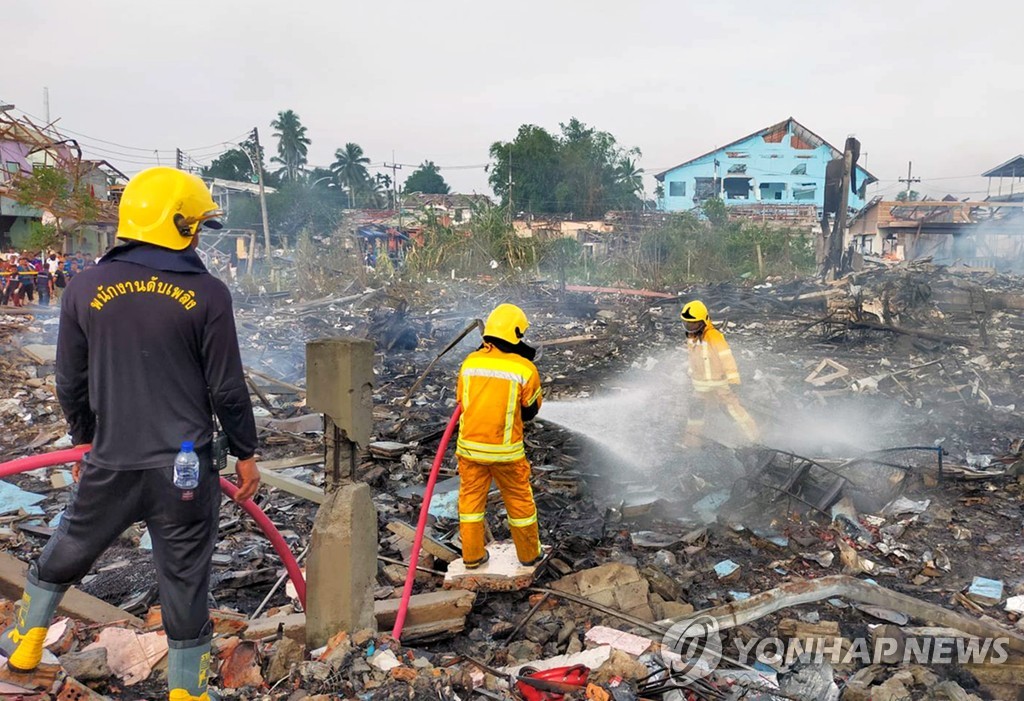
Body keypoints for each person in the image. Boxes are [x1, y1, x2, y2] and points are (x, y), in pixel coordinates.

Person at [0, 167, 260, 701]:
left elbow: (70, 380)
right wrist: (246, 453)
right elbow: (227, 389)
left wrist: (86, 439)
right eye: (196, 226)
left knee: (70, 543)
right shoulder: (208, 294)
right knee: (185, 579)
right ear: (179, 224)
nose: (197, 237)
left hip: (113, 460)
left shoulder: (85, 286)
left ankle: (26, 640)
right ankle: (188, 692)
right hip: (185, 471)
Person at [455, 303, 544, 569]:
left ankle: (472, 557)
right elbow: (530, 411)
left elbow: (461, 401)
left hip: (470, 451)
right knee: (519, 503)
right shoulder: (525, 369)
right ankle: (529, 555)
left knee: (470, 503)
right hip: (506, 454)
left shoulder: (469, 363)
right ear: (515, 333)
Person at [680, 300, 759, 447]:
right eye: (687, 324)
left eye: (694, 324)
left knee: (732, 410)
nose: (690, 328)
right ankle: (691, 441)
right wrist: (691, 372)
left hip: (719, 382)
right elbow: (693, 358)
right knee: (696, 410)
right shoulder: (691, 339)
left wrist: (734, 380)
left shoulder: (714, 336)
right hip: (701, 384)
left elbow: (727, 358)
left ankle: (753, 438)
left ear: (704, 321)